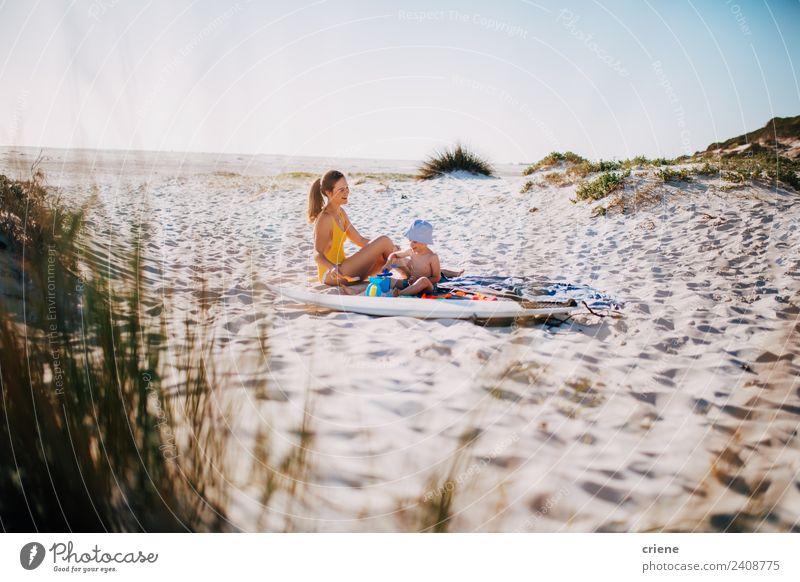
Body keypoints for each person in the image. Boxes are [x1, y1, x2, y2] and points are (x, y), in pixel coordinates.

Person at [308, 170, 396, 290]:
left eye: (347, 187)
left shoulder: (341, 213)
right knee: (384, 241)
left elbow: (359, 240)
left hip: (346, 270)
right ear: (328, 193)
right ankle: (410, 276)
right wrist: (332, 267)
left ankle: (409, 279)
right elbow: (317, 254)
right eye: (341, 190)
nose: (346, 192)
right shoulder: (325, 218)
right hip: (332, 274)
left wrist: (391, 248)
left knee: (385, 254)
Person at [386, 219, 442, 297]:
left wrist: (417, 281)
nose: (411, 244)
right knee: (388, 281)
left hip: (427, 288)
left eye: (415, 242)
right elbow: (394, 255)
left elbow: (437, 277)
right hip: (411, 284)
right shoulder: (411, 252)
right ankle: (406, 290)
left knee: (423, 280)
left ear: (425, 242)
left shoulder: (432, 257)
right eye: (410, 241)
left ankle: (400, 294)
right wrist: (388, 263)